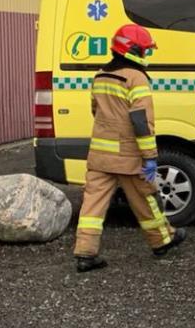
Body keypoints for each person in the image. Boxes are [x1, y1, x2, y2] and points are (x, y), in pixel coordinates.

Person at [72, 24, 186, 272]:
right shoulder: (136, 78)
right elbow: (141, 121)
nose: (146, 56)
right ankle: (162, 241)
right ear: (133, 50)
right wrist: (150, 157)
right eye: (145, 51)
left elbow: (95, 110)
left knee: (92, 205)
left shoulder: (101, 75)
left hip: (100, 155)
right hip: (128, 155)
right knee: (146, 198)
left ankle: (85, 253)